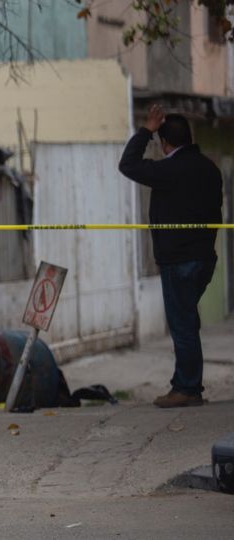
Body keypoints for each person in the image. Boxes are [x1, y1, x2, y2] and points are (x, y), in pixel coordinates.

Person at [118, 105, 223, 408]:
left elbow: (128, 164)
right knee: (187, 321)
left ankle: (187, 388)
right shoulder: (209, 169)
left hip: (179, 262)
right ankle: (188, 383)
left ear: (165, 144)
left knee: (182, 325)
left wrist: (146, 130)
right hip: (205, 259)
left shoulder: (168, 170)